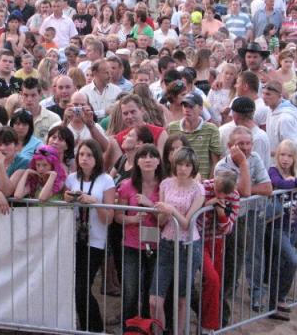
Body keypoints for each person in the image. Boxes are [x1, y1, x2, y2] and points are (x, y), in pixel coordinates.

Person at [215, 126, 272, 313]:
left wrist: (243, 188)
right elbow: (245, 192)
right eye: (240, 144)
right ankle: (222, 298)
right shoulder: (222, 166)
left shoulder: (255, 157)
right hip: (229, 217)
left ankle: (251, 294)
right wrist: (244, 165)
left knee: (250, 253)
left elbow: (267, 188)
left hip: (249, 213)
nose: (246, 148)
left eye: (248, 143)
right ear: (230, 146)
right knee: (231, 258)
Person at [148, 147, 204, 335]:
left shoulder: (198, 189)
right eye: (180, 164)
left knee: (181, 299)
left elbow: (187, 223)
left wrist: (171, 210)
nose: (183, 168)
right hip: (166, 243)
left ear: (193, 167)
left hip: (188, 245)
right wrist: (164, 213)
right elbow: (161, 221)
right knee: (154, 300)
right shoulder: (165, 184)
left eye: (187, 165)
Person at [64, 139, 115, 333]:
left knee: (82, 287)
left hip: (95, 241)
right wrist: (68, 199)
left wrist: (94, 202)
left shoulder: (106, 180)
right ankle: (86, 327)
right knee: (76, 288)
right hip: (74, 239)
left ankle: (94, 328)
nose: (84, 158)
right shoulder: (71, 178)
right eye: (81, 154)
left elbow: (109, 218)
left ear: (97, 158)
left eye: (89, 155)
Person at [266, 140, 297, 320]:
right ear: (277, 156)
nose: (285, 159)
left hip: (293, 226)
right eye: (282, 155)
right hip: (277, 227)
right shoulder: (273, 171)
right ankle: (277, 298)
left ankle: (276, 301)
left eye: (289, 155)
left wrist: (296, 180)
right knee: (292, 260)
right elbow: (279, 183)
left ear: (295, 158)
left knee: (282, 264)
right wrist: (296, 183)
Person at [114, 144, 163, 325]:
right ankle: (129, 329)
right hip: (131, 245)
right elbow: (118, 216)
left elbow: (165, 219)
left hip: (157, 245)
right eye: (143, 156)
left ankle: (147, 328)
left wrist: (151, 205)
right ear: (137, 161)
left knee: (150, 292)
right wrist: (133, 220)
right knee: (130, 291)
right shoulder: (127, 185)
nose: (148, 159)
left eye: (152, 156)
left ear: (159, 161)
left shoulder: (164, 186)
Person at [167, 93, 222, 179]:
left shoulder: (211, 129)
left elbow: (215, 161)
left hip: (203, 181)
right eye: (185, 106)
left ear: (201, 108)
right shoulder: (172, 128)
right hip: (178, 180)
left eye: (191, 106)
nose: (187, 109)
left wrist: (207, 183)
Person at [263, 80, 297, 161]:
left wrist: (269, 152)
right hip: (274, 162)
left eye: (268, 94)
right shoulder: (270, 110)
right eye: (264, 93)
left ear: (279, 96)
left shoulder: (285, 118)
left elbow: (291, 148)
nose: (264, 97)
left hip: (287, 164)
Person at [19, 77, 61, 141]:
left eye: (33, 95)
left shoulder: (54, 119)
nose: (29, 99)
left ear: (40, 95)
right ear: (21, 95)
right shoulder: (15, 119)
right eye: (26, 95)